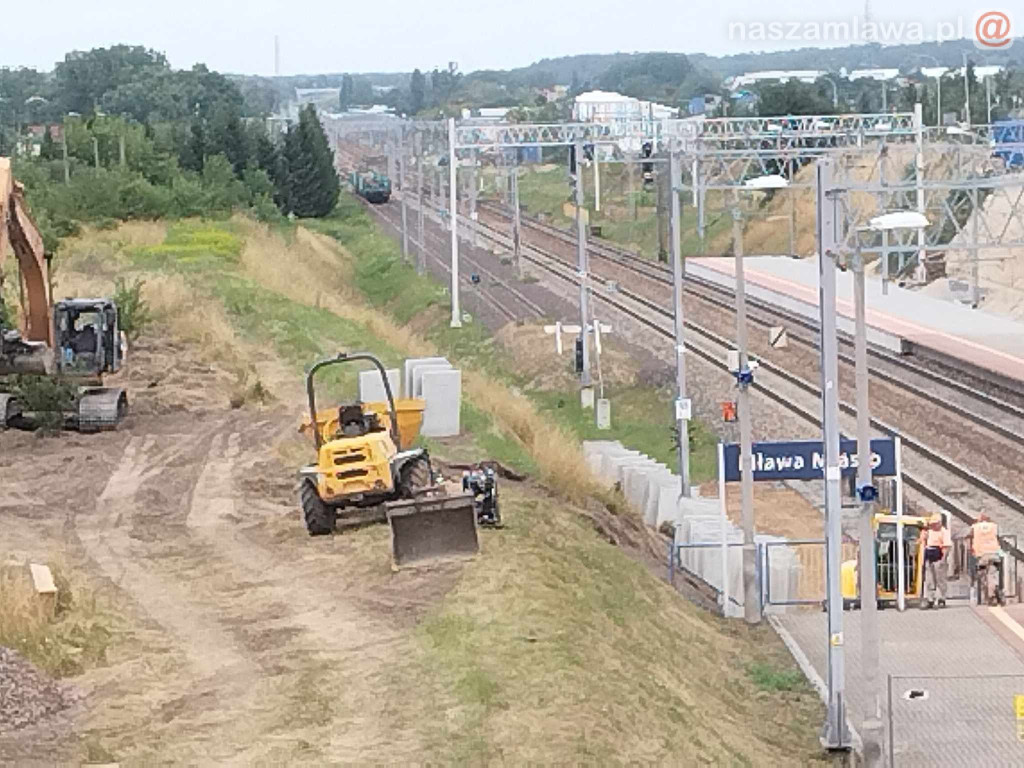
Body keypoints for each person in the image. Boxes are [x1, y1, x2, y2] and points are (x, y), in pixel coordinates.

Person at [970, 513, 1003, 606]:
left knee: (983, 576)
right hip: (994, 554)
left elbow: (970, 537)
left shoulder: (975, 527)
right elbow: (998, 537)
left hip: (981, 555)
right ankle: (993, 589)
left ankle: (990, 595)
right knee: (992, 575)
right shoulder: (994, 526)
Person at [920, 513, 952, 609]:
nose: (933, 526)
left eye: (935, 524)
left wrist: (943, 560)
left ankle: (942, 598)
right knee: (929, 579)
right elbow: (922, 542)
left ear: (939, 523)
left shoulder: (944, 532)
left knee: (940, 579)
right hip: (929, 556)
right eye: (932, 524)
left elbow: (946, 547)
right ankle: (930, 599)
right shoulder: (928, 532)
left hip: (939, 556)